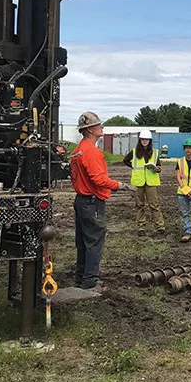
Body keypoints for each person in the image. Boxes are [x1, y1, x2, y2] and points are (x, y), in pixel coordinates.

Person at [70, 111, 134, 290]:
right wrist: (120, 185)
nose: (102, 127)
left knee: (83, 242)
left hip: (81, 200)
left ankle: (80, 278)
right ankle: (90, 282)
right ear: (90, 129)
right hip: (92, 202)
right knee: (94, 242)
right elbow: (99, 179)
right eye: (99, 125)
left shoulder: (78, 150)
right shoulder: (92, 152)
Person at [122, 129, 165, 235]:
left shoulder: (155, 152)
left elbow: (159, 166)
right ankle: (141, 227)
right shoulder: (134, 151)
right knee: (139, 205)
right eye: (143, 139)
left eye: (147, 139)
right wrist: (133, 167)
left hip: (151, 182)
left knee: (154, 205)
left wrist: (157, 169)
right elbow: (125, 160)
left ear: (150, 141)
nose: (144, 141)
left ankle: (160, 227)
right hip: (138, 182)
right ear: (140, 140)